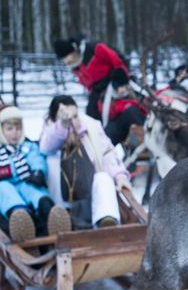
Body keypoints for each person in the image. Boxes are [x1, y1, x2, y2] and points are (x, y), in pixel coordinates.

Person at [0, 105, 71, 244]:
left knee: (35, 191)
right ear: (0, 129)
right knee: (4, 190)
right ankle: (20, 219)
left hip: (25, 182)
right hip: (1, 185)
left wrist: (38, 172)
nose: (14, 133)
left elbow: (36, 159)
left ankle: (51, 214)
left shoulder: (27, 147)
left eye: (18, 128)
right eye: (9, 129)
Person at [39, 95, 133, 229]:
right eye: (66, 116)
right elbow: (46, 148)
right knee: (52, 162)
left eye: (75, 116)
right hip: (63, 196)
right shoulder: (51, 132)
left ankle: (106, 219)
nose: (73, 121)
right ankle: (62, 218)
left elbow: (107, 153)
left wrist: (120, 175)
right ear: (55, 118)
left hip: (88, 189)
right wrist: (62, 126)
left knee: (103, 178)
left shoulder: (90, 127)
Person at [53, 35, 129, 121]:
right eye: (63, 59)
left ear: (72, 51)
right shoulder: (74, 65)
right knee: (91, 114)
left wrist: (121, 80)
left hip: (113, 80)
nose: (66, 61)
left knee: (109, 110)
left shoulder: (94, 49)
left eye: (66, 57)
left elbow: (117, 61)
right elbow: (85, 81)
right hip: (96, 89)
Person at [98, 68, 148, 146]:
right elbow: (107, 114)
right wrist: (123, 106)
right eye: (118, 87)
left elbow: (145, 103)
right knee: (108, 133)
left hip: (138, 123)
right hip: (120, 125)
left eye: (122, 86)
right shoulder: (107, 97)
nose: (120, 90)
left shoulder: (134, 91)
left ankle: (137, 144)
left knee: (132, 112)